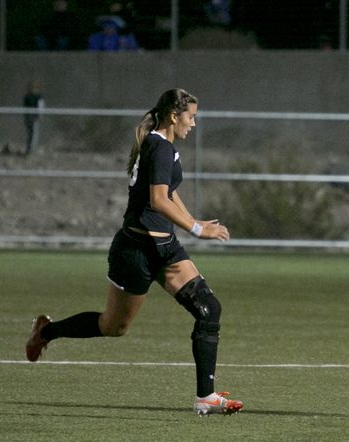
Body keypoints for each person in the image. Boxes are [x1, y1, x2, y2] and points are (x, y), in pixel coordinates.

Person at [26, 89, 242, 416]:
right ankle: (46, 331)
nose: (194, 123)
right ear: (174, 116)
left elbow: (169, 193)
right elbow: (157, 200)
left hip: (165, 249)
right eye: (191, 116)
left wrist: (193, 220)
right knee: (114, 326)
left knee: (209, 308)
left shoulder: (165, 149)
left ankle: (205, 397)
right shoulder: (158, 146)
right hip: (135, 251)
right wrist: (198, 230)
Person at [23, 80, 45, 156]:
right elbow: (25, 108)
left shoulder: (39, 97)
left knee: (34, 133)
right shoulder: (27, 97)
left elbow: (41, 106)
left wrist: (40, 115)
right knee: (29, 133)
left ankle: (31, 149)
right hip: (29, 118)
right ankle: (29, 149)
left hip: (35, 118)